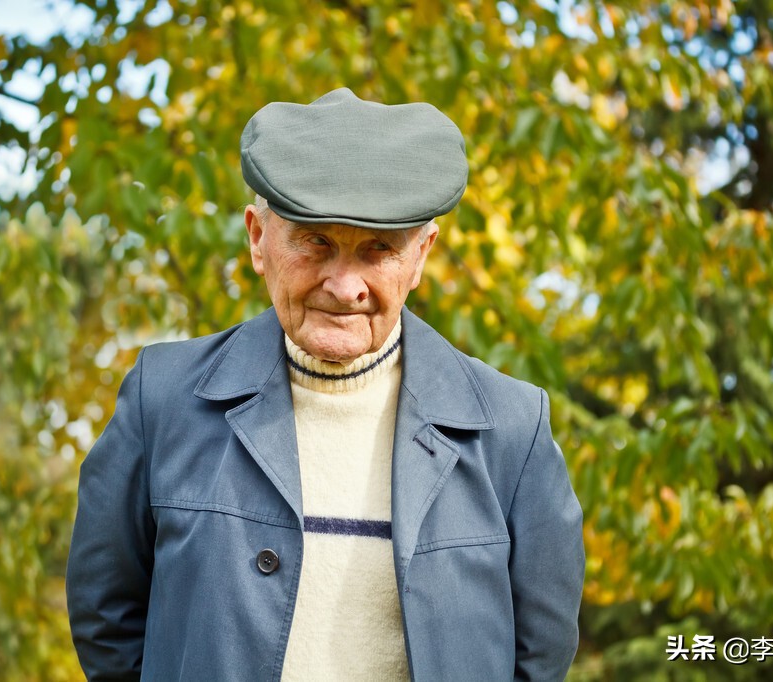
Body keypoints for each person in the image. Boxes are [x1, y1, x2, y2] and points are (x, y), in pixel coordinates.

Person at [66, 88, 584, 681]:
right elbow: (107, 621)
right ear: (258, 239)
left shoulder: (513, 429)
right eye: (316, 242)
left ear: (420, 256)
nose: (345, 285)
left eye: (377, 250)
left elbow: (540, 656)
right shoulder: (160, 400)